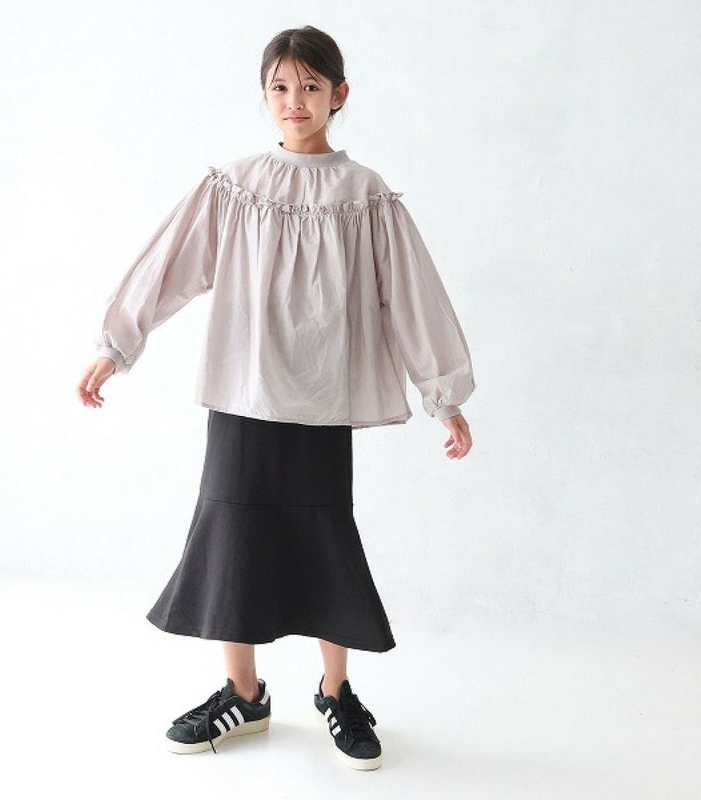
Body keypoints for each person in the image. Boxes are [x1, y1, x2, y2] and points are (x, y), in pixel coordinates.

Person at [76, 25, 476, 771]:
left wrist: (444, 394)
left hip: (322, 399)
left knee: (325, 536)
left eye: (311, 87)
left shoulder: (365, 196)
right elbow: (168, 266)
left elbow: (413, 297)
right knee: (231, 535)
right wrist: (115, 347)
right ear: (264, 95)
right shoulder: (234, 187)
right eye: (281, 87)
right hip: (243, 391)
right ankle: (244, 693)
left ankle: (335, 691)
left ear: (339, 95)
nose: (295, 101)